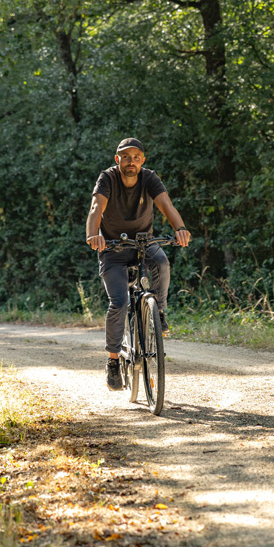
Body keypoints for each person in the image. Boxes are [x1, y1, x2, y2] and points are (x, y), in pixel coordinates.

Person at [86, 136, 191, 390]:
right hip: (112, 247)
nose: (130, 161)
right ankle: (113, 361)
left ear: (142, 160)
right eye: (125, 157)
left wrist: (181, 229)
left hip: (144, 244)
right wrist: (93, 234)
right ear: (117, 159)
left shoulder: (149, 178)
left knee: (162, 263)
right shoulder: (108, 178)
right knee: (119, 302)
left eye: (136, 157)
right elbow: (95, 208)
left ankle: (159, 313)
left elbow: (166, 205)